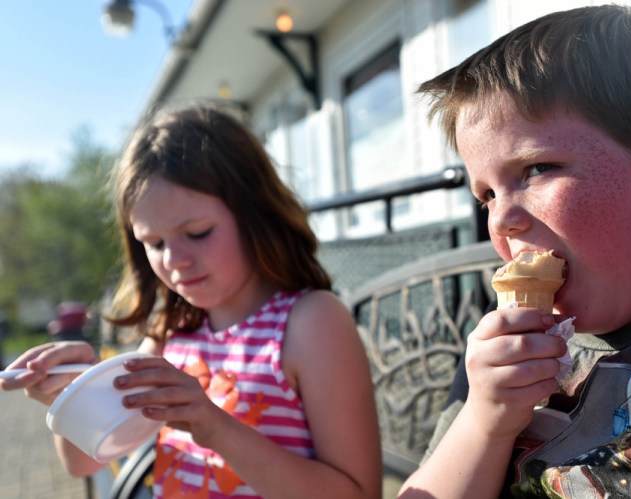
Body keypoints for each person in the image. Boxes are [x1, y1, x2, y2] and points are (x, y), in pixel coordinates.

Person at [400, 4, 631, 498]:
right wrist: (486, 421)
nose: (500, 220)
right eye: (486, 195)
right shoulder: (504, 351)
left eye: (537, 169)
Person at [0, 104, 382, 498]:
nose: (174, 260)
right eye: (154, 243)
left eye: (198, 232)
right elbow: (82, 462)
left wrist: (215, 426)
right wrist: (75, 398)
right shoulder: (172, 331)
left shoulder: (310, 322)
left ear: (255, 213)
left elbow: (360, 492)